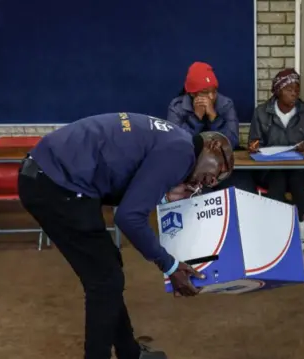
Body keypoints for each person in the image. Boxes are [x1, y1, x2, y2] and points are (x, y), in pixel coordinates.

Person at [17, 112, 234, 359]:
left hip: (51, 176)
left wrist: (162, 194)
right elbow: (129, 218)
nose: (210, 181)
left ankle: (129, 353)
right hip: (56, 184)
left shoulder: (177, 139)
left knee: (108, 271)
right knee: (105, 281)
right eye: (218, 170)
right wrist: (170, 265)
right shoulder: (181, 154)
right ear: (213, 146)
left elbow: (124, 176)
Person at [247, 68, 304, 250]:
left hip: (299, 169)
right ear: (278, 91)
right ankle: (278, 228)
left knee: (296, 177)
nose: (294, 93)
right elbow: (253, 141)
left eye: (297, 89)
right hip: (271, 170)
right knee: (278, 178)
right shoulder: (262, 112)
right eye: (289, 90)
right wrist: (254, 145)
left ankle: (302, 224)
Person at [166, 61, 255, 193]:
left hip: (222, 167)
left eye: (214, 91)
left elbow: (233, 141)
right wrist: (196, 119)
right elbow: (176, 144)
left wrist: (214, 118)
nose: (212, 97)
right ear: (192, 94)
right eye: (205, 93)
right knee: (198, 194)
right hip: (193, 168)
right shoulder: (177, 107)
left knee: (245, 187)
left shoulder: (226, 104)